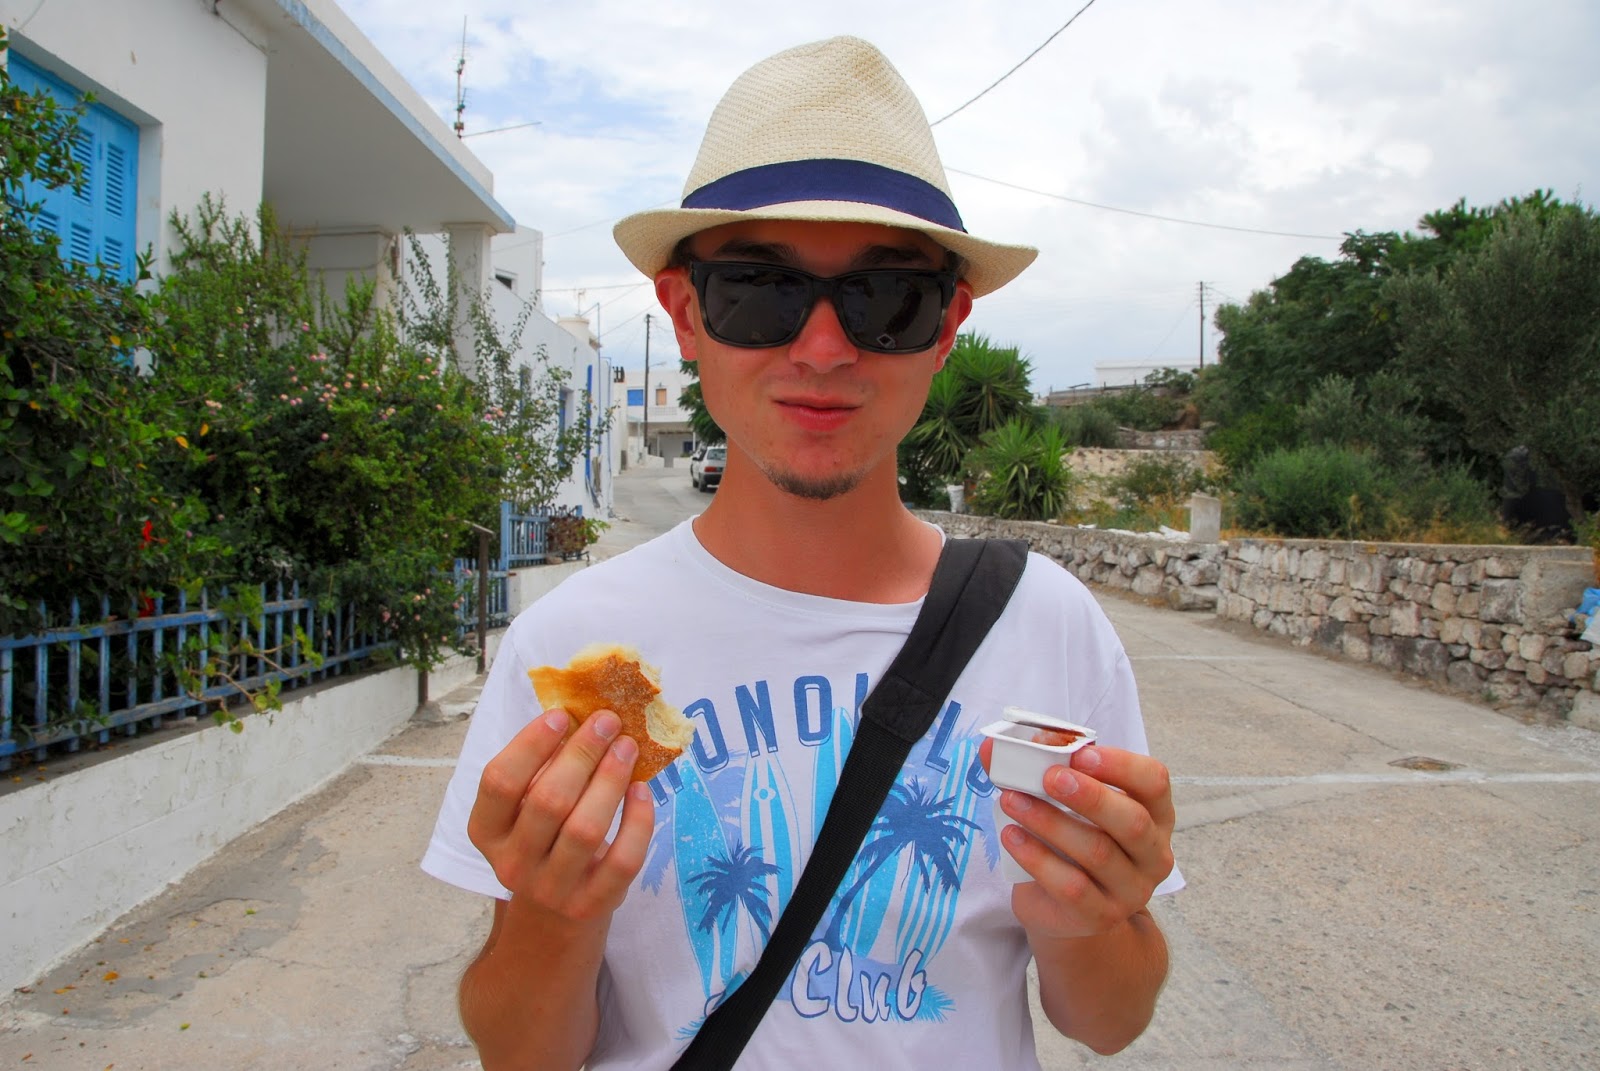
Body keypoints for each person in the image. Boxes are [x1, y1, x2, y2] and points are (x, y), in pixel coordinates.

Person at [422, 35, 1182, 1071]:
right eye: (758, 290)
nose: (822, 349)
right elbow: (522, 1054)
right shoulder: (571, 650)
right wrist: (553, 918)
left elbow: (1110, 1021)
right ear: (685, 314)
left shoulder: (1047, 626)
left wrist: (1093, 916)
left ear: (947, 325)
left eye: (887, 298)